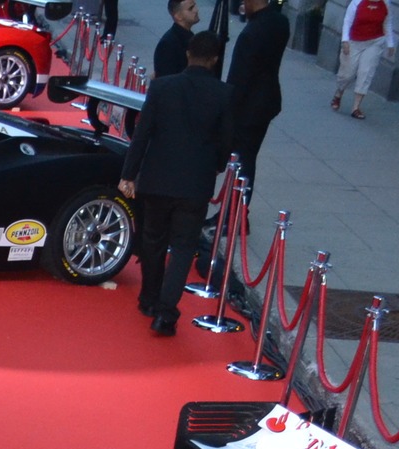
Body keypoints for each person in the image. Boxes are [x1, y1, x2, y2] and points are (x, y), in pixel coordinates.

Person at [120, 31, 231, 338]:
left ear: (188, 54)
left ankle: (149, 298)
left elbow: (142, 134)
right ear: (214, 60)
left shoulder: (162, 87)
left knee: (153, 240)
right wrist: (217, 166)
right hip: (195, 183)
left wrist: (129, 173)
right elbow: (226, 142)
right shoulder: (224, 94)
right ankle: (166, 312)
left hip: (157, 178)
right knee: (183, 248)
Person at [225, 0, 288, 195]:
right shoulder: (281, 22)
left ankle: (237, 207)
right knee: (248, 156)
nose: (243, 5)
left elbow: (240, 76)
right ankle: (236, 206)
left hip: (249, 107)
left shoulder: (251, 33)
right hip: (267, 100)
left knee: (243, 160)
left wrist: (228, 109)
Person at [330, 0, 396, 119]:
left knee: (366, 72)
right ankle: (339, 93)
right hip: (354, 41)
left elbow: (387, 23)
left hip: (375, 42)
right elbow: (347, 21)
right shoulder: (357, 2)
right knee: (347, 74)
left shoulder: (385, 3)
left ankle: (356, 107)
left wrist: (390, 43)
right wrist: (345, 40)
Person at [154, 0, 201, 79]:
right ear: (178, 16)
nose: (196, 10)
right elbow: (166, 79)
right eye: (191, 8)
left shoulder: (188, 36)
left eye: (195, 6)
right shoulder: (168, 44)